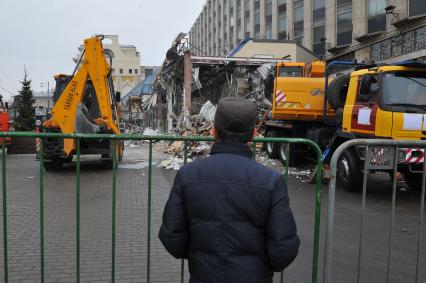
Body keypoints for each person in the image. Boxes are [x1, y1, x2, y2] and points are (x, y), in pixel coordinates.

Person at [159, 97, 300, 283]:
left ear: (213, 131)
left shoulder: (188, 175)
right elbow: (284, 249)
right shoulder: (271, 180)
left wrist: (199, 255)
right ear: (253, 134)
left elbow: (172, 236)